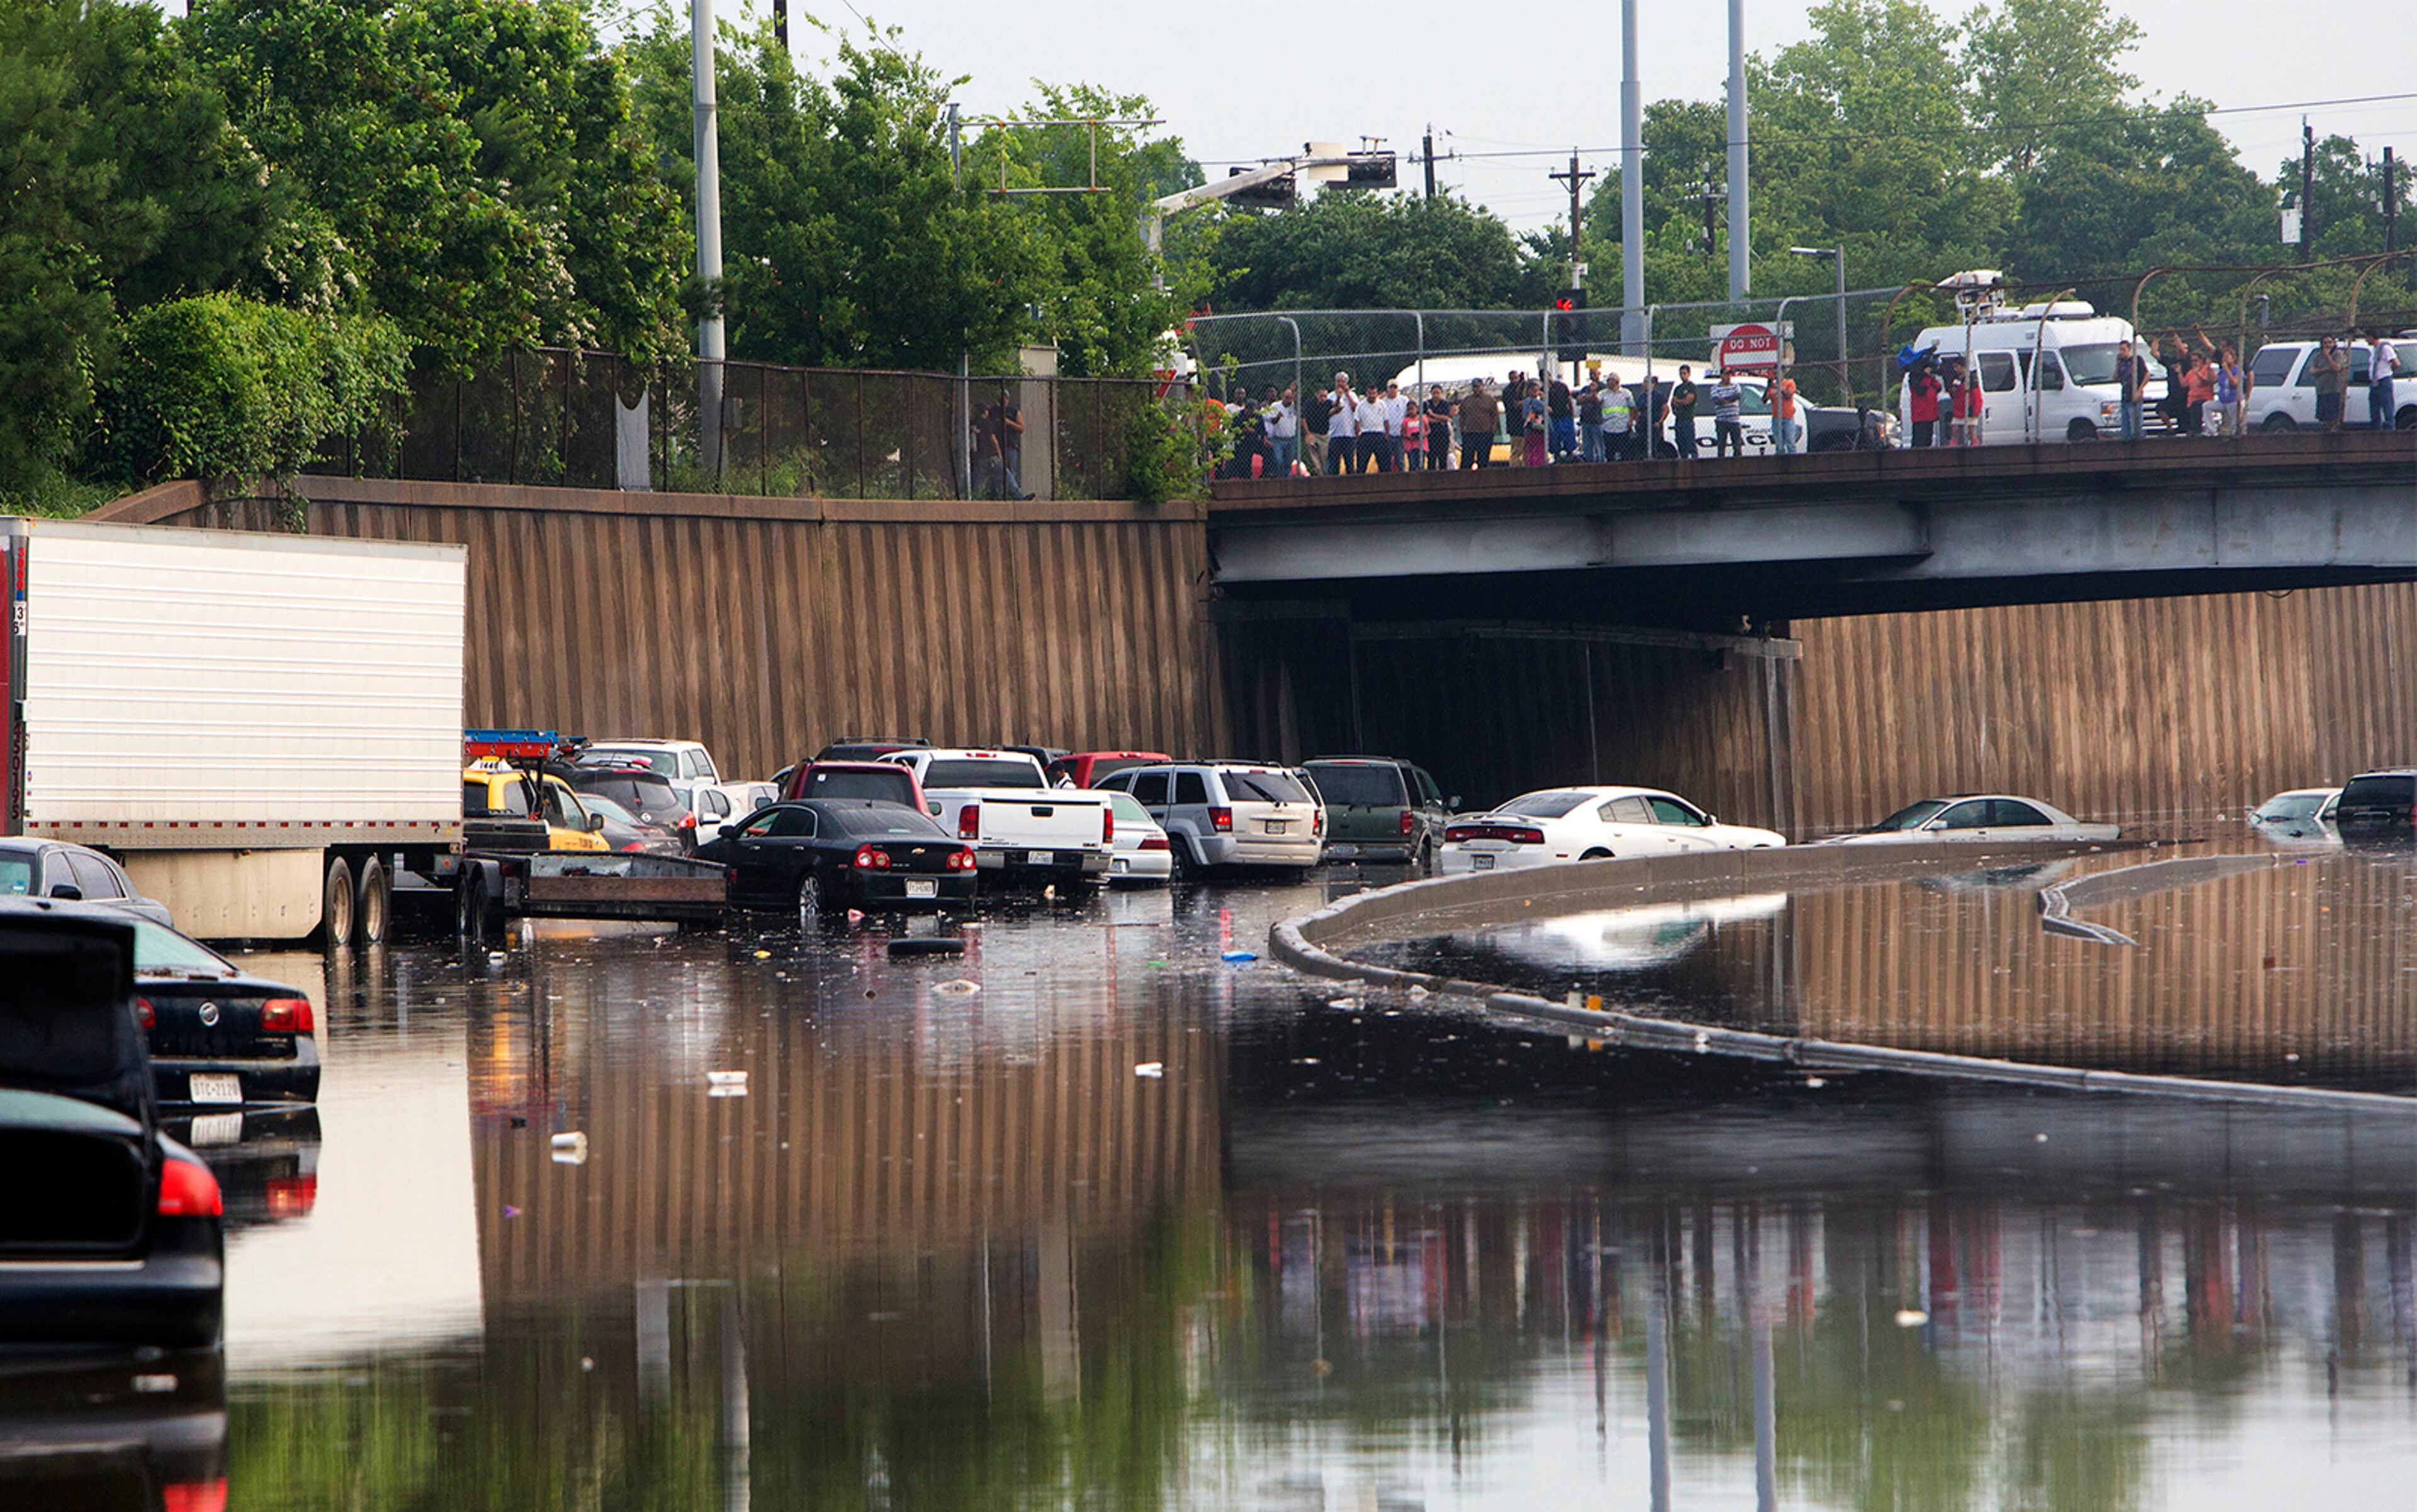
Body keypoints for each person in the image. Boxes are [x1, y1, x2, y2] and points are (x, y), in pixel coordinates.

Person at [2308, 336, 2349, 431]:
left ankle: (2333, 431)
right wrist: (2326, 369)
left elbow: (2337, 368)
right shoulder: (2318, 356)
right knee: (2324, 416)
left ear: (2334, 343)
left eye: (2330, 342)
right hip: (2322, 390)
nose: (2328, 345)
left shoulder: (2338, 354)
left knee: (2333, 416)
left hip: (2334, 389)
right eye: (2325, 343)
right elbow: (2312, 371)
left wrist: (2328, 356)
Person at [1457, 379, 1499, 468]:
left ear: (1482, 387)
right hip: (1470, 434)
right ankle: (1465, 480)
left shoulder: (1490, 400)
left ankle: (1483, 480)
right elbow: (1462, 416)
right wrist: (1462, 430)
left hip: (1485, 433)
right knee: (1467, 460)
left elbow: (1495, 416)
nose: (1476, 389)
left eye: (1478, 387)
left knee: (1483, 460)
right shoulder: (1467, 401)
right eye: (1474, 387)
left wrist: (1492, 431)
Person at [1326, 372, 1360, 472]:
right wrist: (1339, 397)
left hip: (1349, 434)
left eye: (1343, 381)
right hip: (1335, 434)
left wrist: (1347, 394)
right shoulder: (1330, 396)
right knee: (1334, 464)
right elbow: (1327, 412)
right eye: (1338, 381)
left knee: (1349, 463)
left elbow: (1355, 408)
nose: (1340, 383)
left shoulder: (1353, 395)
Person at [2112, 338, 2144, 441]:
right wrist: (2117, 364)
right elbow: (2115, 378)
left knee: (2134, 425)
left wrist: (2140, 389)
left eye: (2123, 350)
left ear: (2129, 349)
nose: (2121, 352)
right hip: (2125, 396)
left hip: (2134, 395)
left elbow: (2147, 374)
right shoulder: (2122, 363)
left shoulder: (2137, 360)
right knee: (2125, 426)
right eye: (2120, 350)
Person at [1263, 385, 1299, 476]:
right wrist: (1278, 417)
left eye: (1290, 398)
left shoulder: (1293, 406)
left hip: (1290, 439)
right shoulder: (1276, 406)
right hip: (1278, 439)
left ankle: (1285, 479)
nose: (1288, 400)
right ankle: (1279, 477)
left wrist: (1294, 393)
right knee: (1279, 461)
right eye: (1287, 398)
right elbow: (1273, 422)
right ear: (1282, 396)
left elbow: (1298, 408)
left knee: (1289, 462)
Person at [1355, 383, 1391, 471]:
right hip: (1366, 435)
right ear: (1366, 394)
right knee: (1362, 465)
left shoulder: (1382, 404)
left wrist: (1386, 435)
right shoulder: (1361, 406)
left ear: (1377, 394)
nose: (1372, 396)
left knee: (1384, 464)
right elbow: (1357, 421)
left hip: (1379, 434)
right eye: (1370, 393)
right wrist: (1358, 435)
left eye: (1374, 393)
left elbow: (1386, 421)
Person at [1907, 359, 1942, 448]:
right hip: (1920, 414)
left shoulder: (1930, 379)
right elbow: (1920, 391)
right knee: (1920, 439)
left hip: (1930, 413)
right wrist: (1927, 379)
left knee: (1928, 439)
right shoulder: (1915, 378)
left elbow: (1938, 387)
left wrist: (1931, 378)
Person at [1709, 369, 1745, 457]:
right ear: (1721, 375)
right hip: (1722, 421)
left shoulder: (1735, 386)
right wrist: (1729, 400)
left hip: (1734, 421)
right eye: (1726, 374)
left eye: (1729, 374)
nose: (1728, 377)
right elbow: (1716, 400)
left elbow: (1737, 396)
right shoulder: (1715, 388)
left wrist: (1724, 400)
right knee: (1721, 446)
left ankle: (1737, 466)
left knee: (1737, 446)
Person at [2211, 345, 2243, 437]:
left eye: (2227, 357)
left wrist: (2227, 370)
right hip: (2223, 401)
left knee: (2234, 421)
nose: (2225, 359)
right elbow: (2212, 381)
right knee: (2207, 406)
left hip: (2233, 400)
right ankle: (2212, 431)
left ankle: (2235, 436)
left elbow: (2234, 383)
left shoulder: (2238, 370)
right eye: (2224, 357)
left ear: (2233, 358)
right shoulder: (2222, 372)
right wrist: (2209, 369)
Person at [1949, 357, 1982, 445]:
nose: (1955, 369)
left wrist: (1976, 410)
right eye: (1954, 367)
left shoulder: (1971, 378)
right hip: (1958, 409)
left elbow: (1976, 395)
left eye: (1957, 367)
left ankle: (1975, 449)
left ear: (1963, 366)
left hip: (1969, 408)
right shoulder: (1955, 379)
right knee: (1955, 431)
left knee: (1971, 431)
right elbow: (1953, 395)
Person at [1602, 373, 1635, 460]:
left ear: (1616, 382)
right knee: (1610, 452)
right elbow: (1597, 400)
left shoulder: (1626, 393)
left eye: (1610, 381)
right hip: (1608, 427)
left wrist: (1631, 420)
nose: (1608, 383)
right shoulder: (1603, 393)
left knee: (1624, 452)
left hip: (1622, 426)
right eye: (1608, 381)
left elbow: (1632, 408)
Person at [2371, 330, 2400, 430]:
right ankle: (2376, 431)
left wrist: (2387, 372)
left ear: (2371, 337)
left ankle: (2390, 431)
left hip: (2384, 381)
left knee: (2387, 408)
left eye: (2367, 338)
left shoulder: (2385, 348)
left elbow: (2396, 363)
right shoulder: (2374, 350)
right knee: (2374, 409)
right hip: (2375, 382)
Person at [1302, 385, 1333, 475]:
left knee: (1324, 457)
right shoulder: (1309, 404)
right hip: (1312, 433)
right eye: (1321, 396)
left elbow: (1337, 407)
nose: (1323, 398)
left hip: (1324, 435)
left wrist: (1339, 398)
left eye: (1325, 396)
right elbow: (1303, 418)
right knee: (1313, 452)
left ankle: (1324, 474)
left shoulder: (1328, 403)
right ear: (1316, 395)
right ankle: (1317, 470)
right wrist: (1308, 433)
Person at [1670, 366, 1699, 459]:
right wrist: (1677, 403)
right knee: (1681, 444)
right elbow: (1673, 402)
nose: (1682, 376)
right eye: (1681, 374)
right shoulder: (1678, 388)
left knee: (1690, 443)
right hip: (1679, 420)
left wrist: (1678, 401)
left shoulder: (1691, 387)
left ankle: (1695, 462)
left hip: (1688, 420)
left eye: (1684, 373)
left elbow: (1688, 401)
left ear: (1689, 374)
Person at [1548, 371, 1576, 461]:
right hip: (1553, 417)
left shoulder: (1561, 386)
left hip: (1564, 415)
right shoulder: (1542, 390)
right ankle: (1557, 455)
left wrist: (1572, 413)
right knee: (1555, 438)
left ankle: (1570, 454)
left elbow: (1569, 400)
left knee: (1568, 435)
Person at [1425, 384, 1455, 469]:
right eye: (1434, 393)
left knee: (1443, 458)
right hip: (1431, 434)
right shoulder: (1427, 404)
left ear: (1441, 393)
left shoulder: (1445, 404)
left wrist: (1433, 415)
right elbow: (1425, 418)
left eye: (1438, 393)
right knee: (1431, 458)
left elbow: (1446, 418)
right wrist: (1438, 419)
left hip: (1443, 434)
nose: (1436, 395)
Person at [1521, 383, 1549, 467]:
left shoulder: (1526, 402)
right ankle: (1538, 465)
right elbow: (1548, 409)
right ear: (1529, 391)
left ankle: (1530, 465)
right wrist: (1543, 399)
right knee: (1539, 450)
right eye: (1535, 391)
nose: (1537, 393)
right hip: (1537, 430)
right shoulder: (1535, 402)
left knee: (1531, 451)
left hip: (1528, 430)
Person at [1577, 378, 1604, 462]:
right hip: (1586, 420)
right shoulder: (1585, 389)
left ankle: (1601, 462)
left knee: (1599, 444)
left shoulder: (1602, 388)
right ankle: (1589, 463)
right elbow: (1579, 400)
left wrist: (1593, 393)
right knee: (1587, 445)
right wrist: (1588, 397)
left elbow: (1598, 400)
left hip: (1597, 421)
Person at [1772, 373, 1800, 454]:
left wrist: (1779, 388)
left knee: (1790, 441)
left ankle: (1793, 462)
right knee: (1779, 444)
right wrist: (1769, 386)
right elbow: (1765, 399)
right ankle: (1780, 462)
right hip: (1776, 418)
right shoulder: (1772, 385)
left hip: (1788, 417)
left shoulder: (1789, 383)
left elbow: (1788, 395)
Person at [1400, 392, 1426, 470]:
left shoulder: (1422, 418)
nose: (1411, 411)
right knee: (1412, 463)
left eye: (1413, 409)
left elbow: (1428, 430)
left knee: (1421, 463)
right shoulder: (1406, 421)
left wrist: (1422, 435)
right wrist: (1408, 437)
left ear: (1417, 409)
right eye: (1409, 410)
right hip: (1411, 445)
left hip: (1421, 444)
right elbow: (1402, 433)